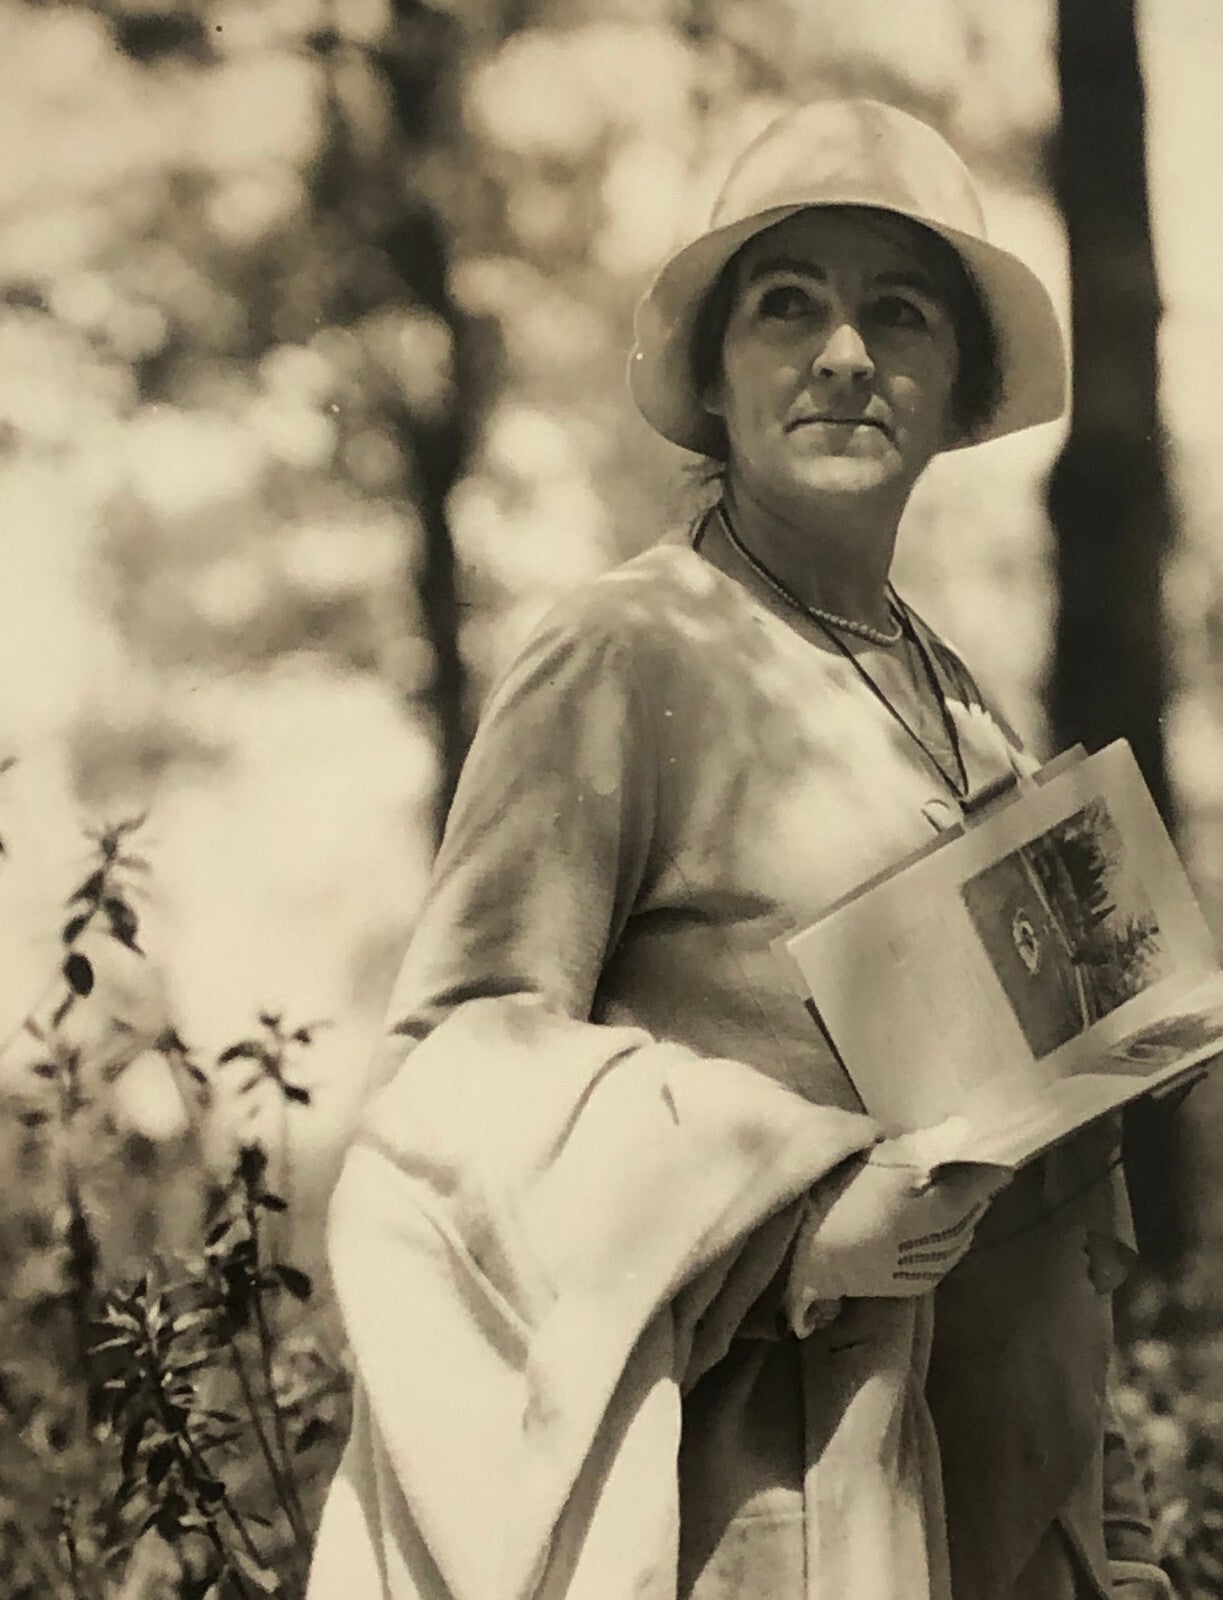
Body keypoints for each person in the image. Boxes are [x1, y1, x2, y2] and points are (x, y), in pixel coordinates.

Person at [307, 99, 1174, 1600]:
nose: (846, 353)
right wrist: (791, 1212)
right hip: (759, 1499)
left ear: (960, 385)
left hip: (992, 1506)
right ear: (714, 377)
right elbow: (449, 1081)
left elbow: (1058, 1186)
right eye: (790, 305)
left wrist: (1117, 1544)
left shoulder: (973, 715)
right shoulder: (624, 652)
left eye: (899, 313)